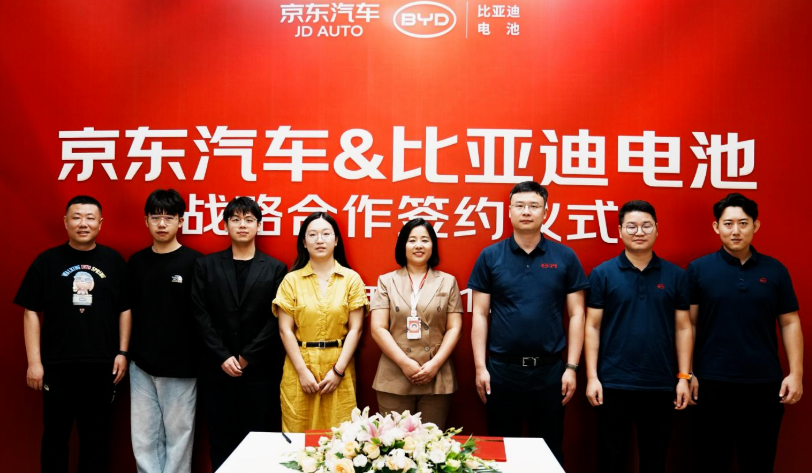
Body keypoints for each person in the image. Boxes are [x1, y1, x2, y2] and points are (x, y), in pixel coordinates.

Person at [468, 181, 589, 464]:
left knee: (548, 452)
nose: (526, 212)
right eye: (520, 205)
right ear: (509, 211)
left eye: (534, 206)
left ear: (545, 212)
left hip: (550, 371)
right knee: (499, 452)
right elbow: (480, 315)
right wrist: (480, 367)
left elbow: (577, 314)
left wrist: (571, 368)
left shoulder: (565, 256)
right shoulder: (490, 256)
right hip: (501, 370)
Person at [687, 193, 803, 472]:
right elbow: (688, 325)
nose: (735, 230)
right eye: (728, 224)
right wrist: (687, 373)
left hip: (764, 384)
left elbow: (790, 322)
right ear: (716, 227)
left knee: (759, 463)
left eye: (743, 223)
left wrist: (796, 374)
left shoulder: (775, 270)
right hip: (712, 383)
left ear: (755, 225)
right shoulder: (698, 269)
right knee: (710, 463)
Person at [15, 195, 131, 473]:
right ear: (65, 222)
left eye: (90, 218)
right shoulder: (47, 261)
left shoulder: (114, 261)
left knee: (95, 439)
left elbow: (125, 310)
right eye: (76, 217)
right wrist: (34, 362)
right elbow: (31, 312)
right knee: (55, 437)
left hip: (101, 366)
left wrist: (122, 352)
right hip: (57, 366)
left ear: (100, 223)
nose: (83, 223)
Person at [583, 200, 693, 473]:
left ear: (657, 229)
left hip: (660, 383)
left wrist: (684, 376)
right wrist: (592, 377)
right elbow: (592, 326)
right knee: (610, 461)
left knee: (655, 461)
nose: (639, 232)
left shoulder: (676, 275)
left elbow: (683, 327)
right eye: (631, 226)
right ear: (620, 230)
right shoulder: (602, 274)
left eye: (646, 226)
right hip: (613, 383)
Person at [191, 197, 287, 471]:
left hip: (259, 372)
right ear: (225, 225)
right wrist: (222, 356)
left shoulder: (276, 268)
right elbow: (199, 314)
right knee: (220, 442)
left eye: (248, 220)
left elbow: (276, 319)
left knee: (258, 442)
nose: (242, 225)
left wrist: (247, 357)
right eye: (235, 219)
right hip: (216, 372)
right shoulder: (206, 266)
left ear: (259, 225)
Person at [128, 189, 202, 473]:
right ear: (146, 220)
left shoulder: (196, 262)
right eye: (155, 217)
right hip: (141, 366)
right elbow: (127, 311)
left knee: (179, 438)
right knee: (143, 439)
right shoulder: (136, 262)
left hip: (182, 366)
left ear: (180, 221)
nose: (161, 224)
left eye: (169, 217)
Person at [273, 212, 368, 432]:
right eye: (312, 234)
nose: (319, 240)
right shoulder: (291, 280)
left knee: (341, 438)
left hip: (339, 363)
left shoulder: (351, 279)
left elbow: (356, 329)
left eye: (326, 234)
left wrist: (338, 371)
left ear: (336, 240)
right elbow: (285, 330)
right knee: (298, 435)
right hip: (299, 365)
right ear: (304, 242)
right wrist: (302, 372)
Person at [370, 218, 463, 429]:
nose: (418, 245)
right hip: (394, 374)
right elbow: (378, 328)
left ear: (433, 245)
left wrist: (435, 364)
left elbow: (455, 328)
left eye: (425, 240)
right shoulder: (387, 281)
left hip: (436, 374)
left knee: (431, 444)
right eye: (412, 240)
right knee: (393, 444)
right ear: (403, 245)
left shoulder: (447, 281)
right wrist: (405, 363)